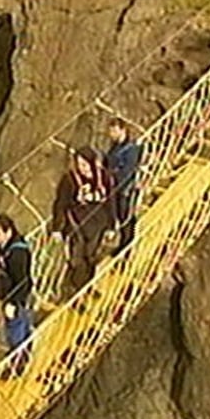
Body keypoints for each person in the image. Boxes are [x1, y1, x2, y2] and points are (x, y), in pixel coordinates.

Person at [51, 146, 117, 299]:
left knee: (91, 258)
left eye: (85, 164)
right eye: (79, 164)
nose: (82, 168)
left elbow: (111, 201)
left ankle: (87, 287)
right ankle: (74, 293)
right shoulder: (69, 180)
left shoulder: (105, 178)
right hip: (77, 225)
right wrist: (57, 228)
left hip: (98, 224)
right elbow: (60, 204)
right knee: (77, 260)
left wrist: (112, 225)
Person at [0, 214, 34, 376]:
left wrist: (13, 303)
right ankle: (24, 354)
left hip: (15, 297)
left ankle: (17, 364)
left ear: (8, 232)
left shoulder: (17, 255)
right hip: (12, 294)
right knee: (23, 324)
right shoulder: (4, 246)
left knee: (15, 329)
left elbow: (22, 281)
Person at [106, 117, 142, 256]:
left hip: (126, 189)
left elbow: (128, 171)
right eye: (111, 131)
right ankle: (124, 245)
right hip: (116, 188)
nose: (112, 134)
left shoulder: (131, 149)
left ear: (123, 130)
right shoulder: (115, 147)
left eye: (114, 131)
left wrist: (112, 177)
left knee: (126, 218)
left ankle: (127, 247)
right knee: (121, 217)